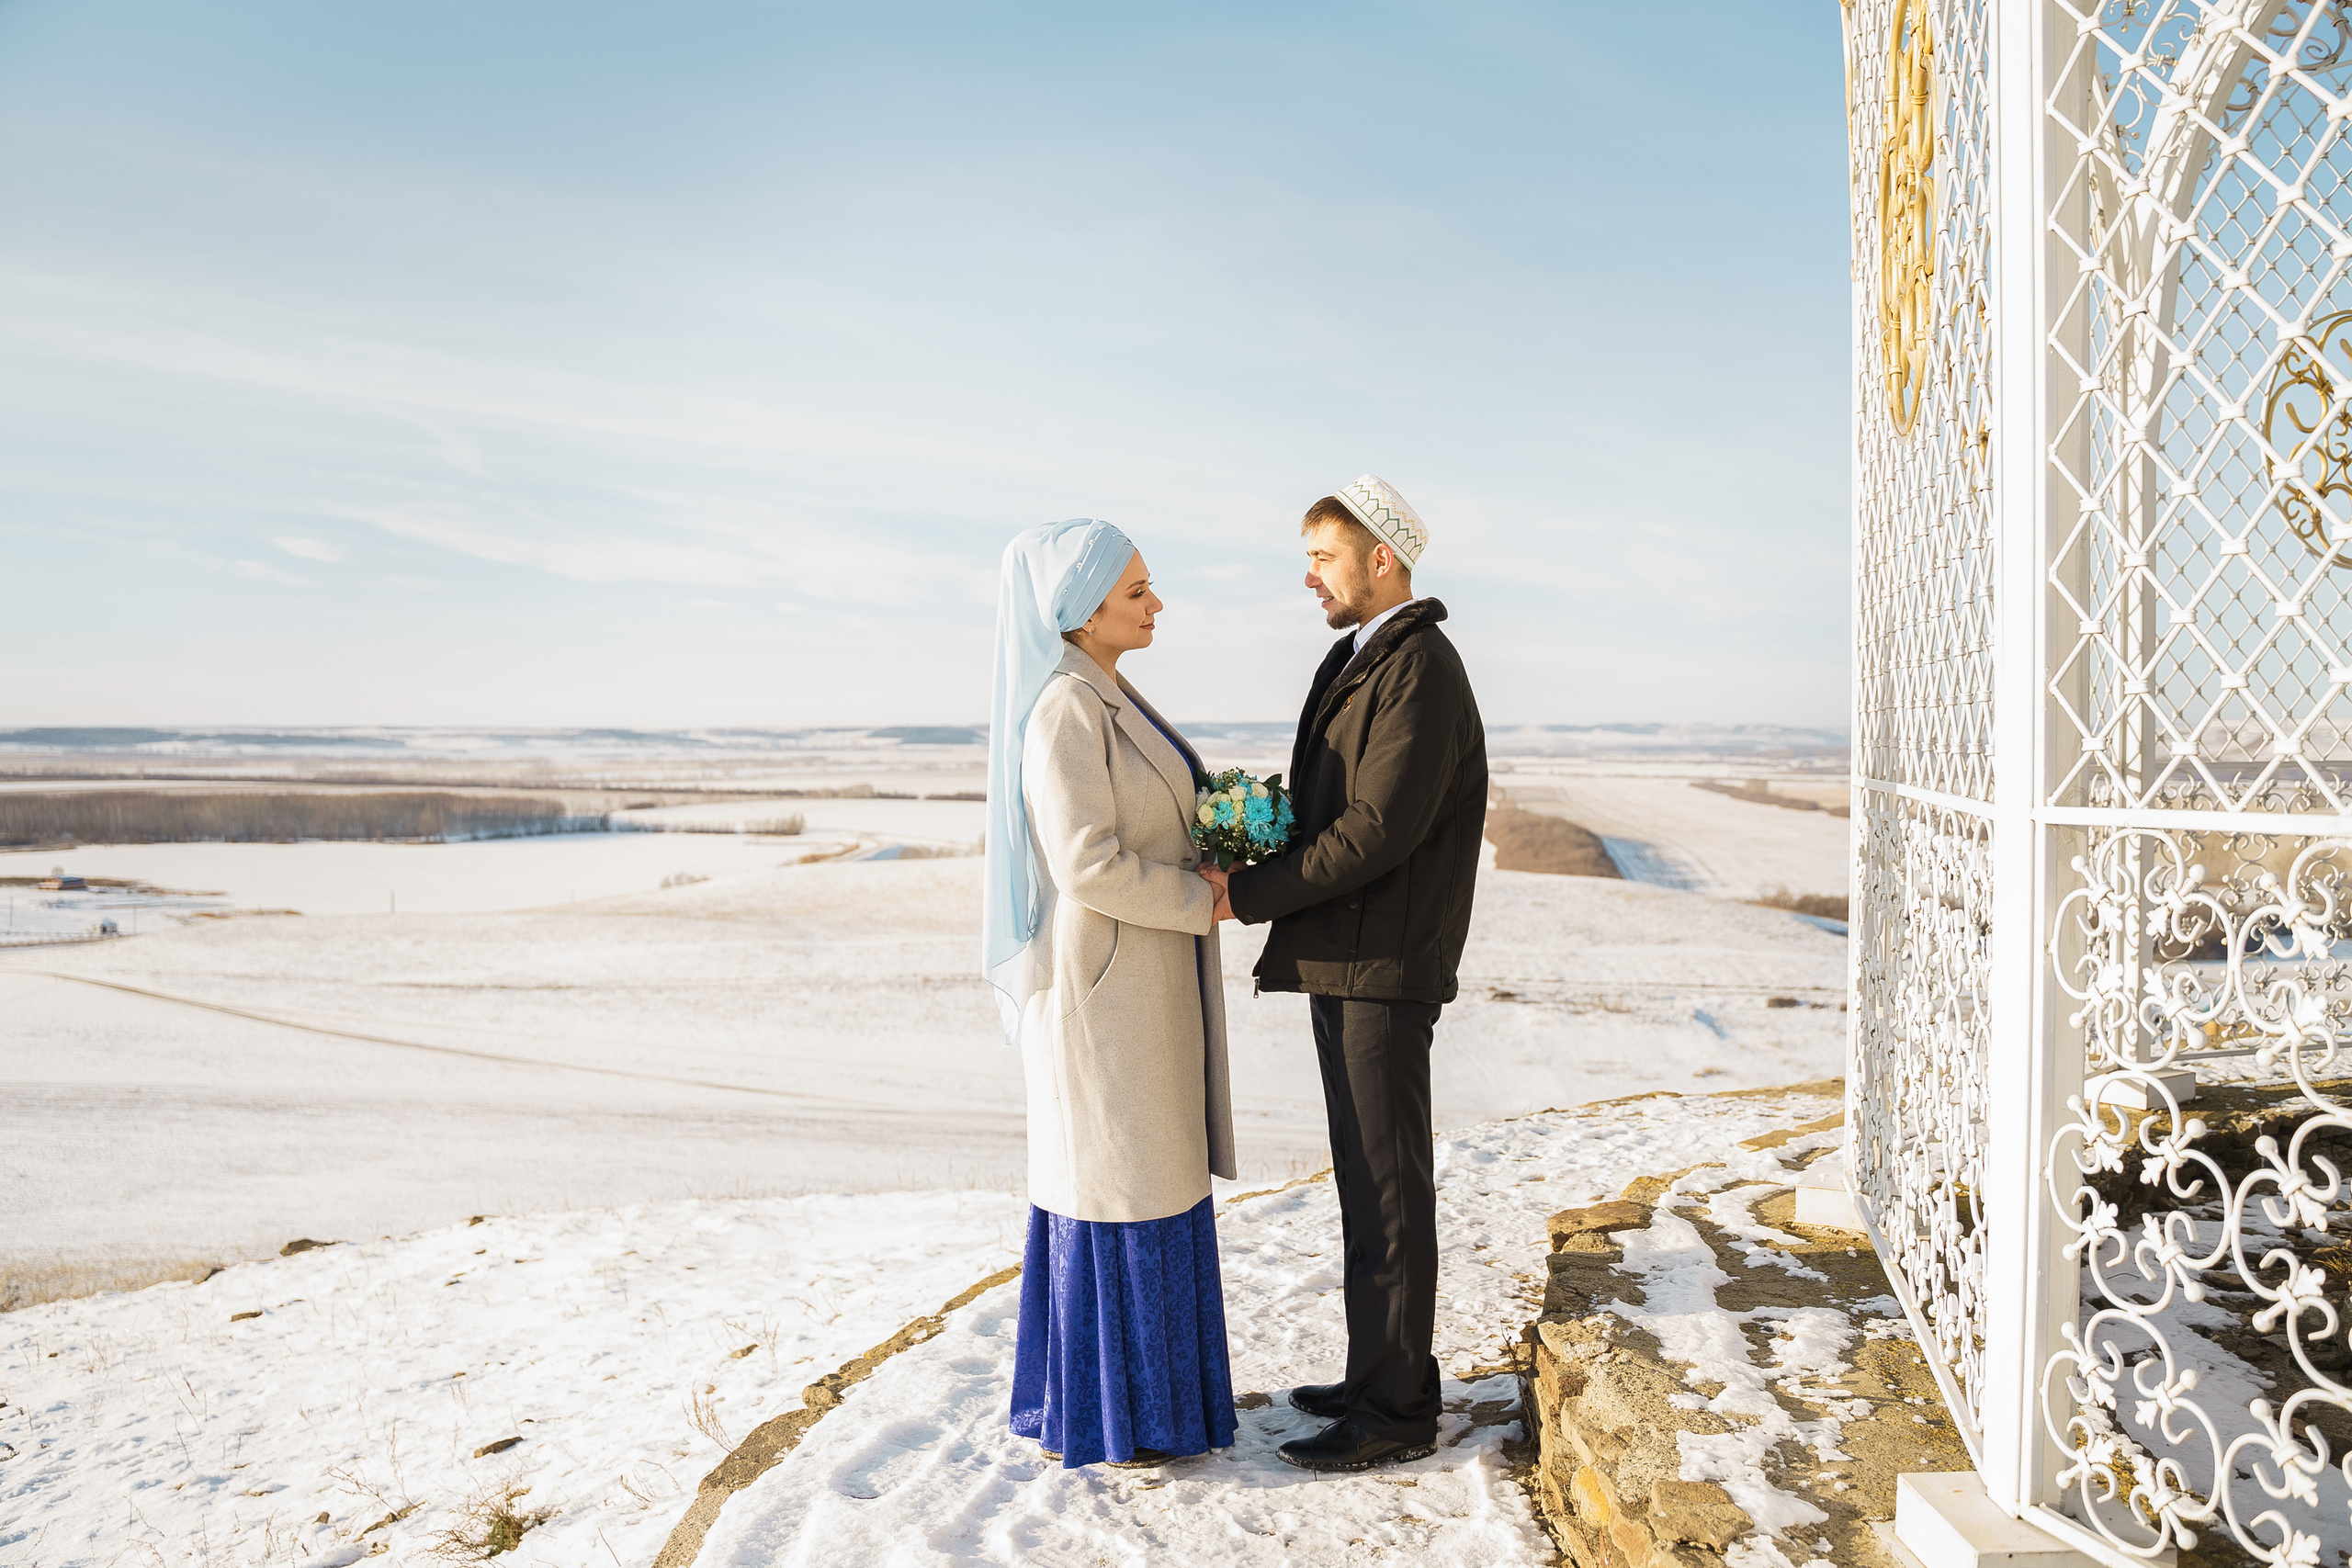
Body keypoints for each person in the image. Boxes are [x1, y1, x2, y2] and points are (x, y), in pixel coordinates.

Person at [1199, 475, 1487, 1472]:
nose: (1309, 575)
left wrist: (1251, 891)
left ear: (1382, 559)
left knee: (1388, 1187)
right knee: (1366, 1184)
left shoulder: (1421, 670)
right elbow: (1334, 807)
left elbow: (1377, 831)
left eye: (1323, 555)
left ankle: (1397, 1412)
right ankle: (1379, 1375)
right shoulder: (1357, 659)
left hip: (1383, 960)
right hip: (1348, 953)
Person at [982, 517, 1238, 1471]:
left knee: (1149, 1181)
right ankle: (1114, 1414)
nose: (1156, 603)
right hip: (1106, 995)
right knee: (1120, 1186)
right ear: (1076, 612)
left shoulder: (1110, 691)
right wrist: (1198, 900)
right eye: (1136, 592)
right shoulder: (1064, 709)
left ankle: (1163, 1409)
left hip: (1144, 984)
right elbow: (1086, 864)